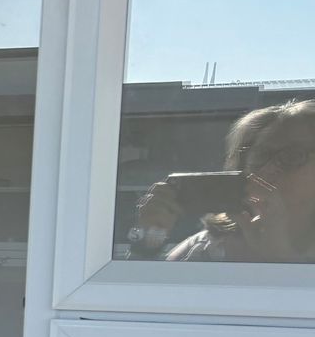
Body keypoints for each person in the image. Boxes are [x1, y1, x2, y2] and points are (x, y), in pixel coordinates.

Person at [135, 98, 315, 263]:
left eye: (293, 155)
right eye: (260, 156)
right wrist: (148, 241)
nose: (267, 170)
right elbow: (141, 287)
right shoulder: (205, 250)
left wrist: (281, 258)